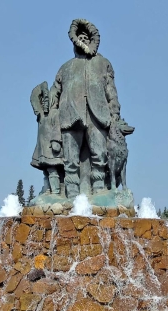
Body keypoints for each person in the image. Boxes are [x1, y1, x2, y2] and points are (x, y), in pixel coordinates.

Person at [50, 19, 122, 199]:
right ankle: (72, 195)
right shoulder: (65, 67)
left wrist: (115, 113)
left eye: (86, 38)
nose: (82, 40)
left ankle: (98, 191)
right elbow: (55, 92)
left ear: (91, 41)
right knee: (70, 159)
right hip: (70, 115)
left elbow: (111, 91)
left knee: (100, 155)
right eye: (79, 38)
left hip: (97, 115)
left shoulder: (103, 63)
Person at [30, 81, 64, 196]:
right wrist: (44, 88)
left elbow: (57, 128)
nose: (46, 102)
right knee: (45, 170)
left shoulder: (55, 113)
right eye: (45, 100)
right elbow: (34, 95)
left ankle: (56, 191)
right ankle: (47, 189)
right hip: (42, 148)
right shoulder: (41, 114)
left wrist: (56, 140)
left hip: (51, 148)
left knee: (52, 169)